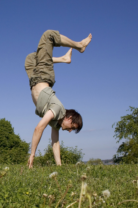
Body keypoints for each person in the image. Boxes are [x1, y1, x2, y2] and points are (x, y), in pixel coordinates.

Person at [25, 30, 92, 168]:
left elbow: (55, 143)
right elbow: (39, 128)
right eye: (71, 127)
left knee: (31, 58)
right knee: (48, 35)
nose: (69, 131)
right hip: (44, 76)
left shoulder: (56, 123)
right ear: (69, 118)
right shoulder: (57, 109)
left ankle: (63, 59)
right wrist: (32, 154)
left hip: (34, 80)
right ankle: (79, 46)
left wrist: (59, 166)